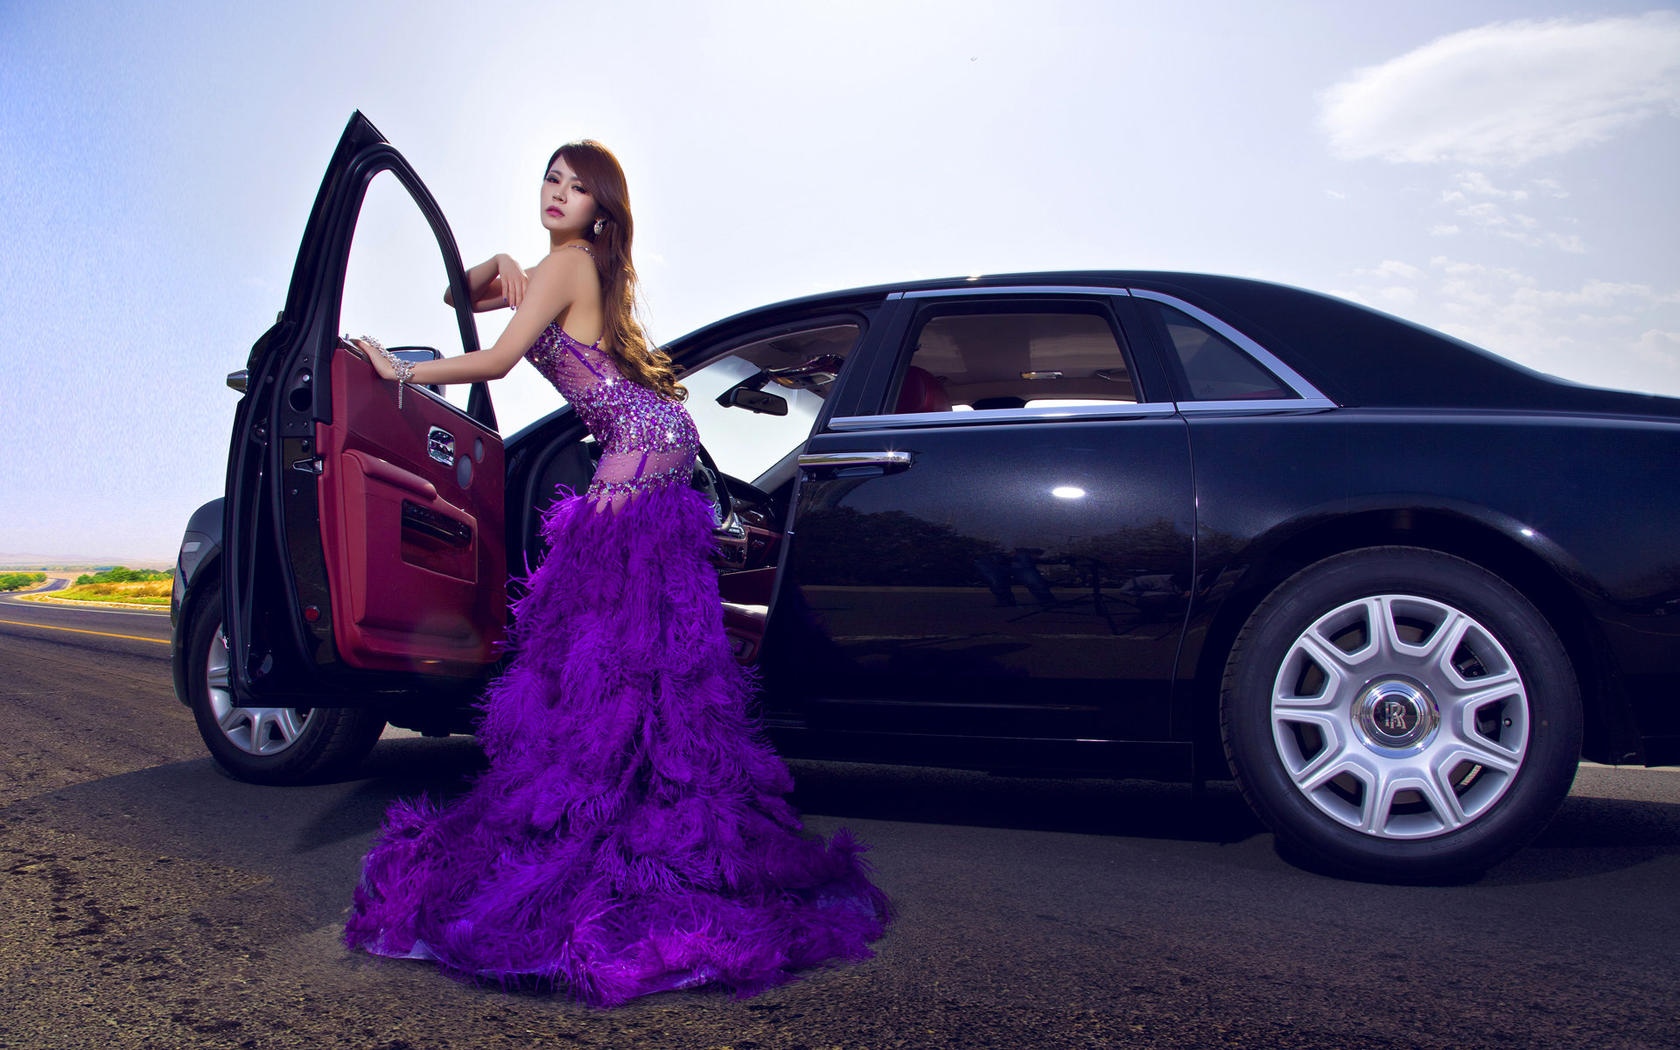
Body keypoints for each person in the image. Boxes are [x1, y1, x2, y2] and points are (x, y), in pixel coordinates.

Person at [342, 141, 890, 1006]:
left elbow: (492, 361)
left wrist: (399, 371)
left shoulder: (567, 265)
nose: (558, 194)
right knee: (624, 637)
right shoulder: (552, 268)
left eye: (578, 186)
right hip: (655, 438)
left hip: (641, 441)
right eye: (550, 179)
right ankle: (620, 785)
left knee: (595, 621)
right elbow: (460, 297)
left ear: (601, 208)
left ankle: (607, 799)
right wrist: (496, 265)